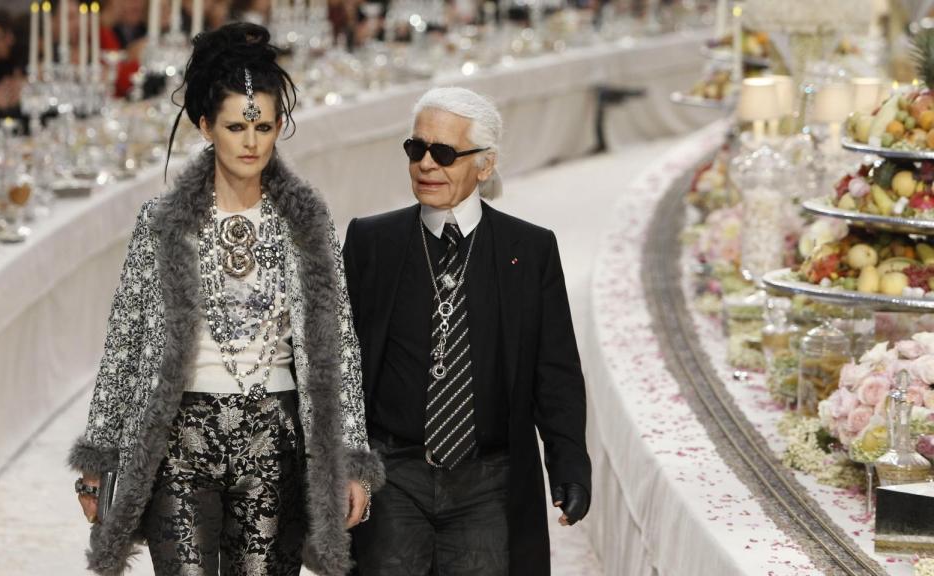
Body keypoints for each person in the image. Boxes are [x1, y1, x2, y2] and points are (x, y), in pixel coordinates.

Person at [68, 22, 383, 576]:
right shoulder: (163, 223)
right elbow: (126, 339)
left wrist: (351, 459)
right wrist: (99, 458)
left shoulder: (305, 223)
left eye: (263, 125)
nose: (251, 141)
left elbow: (338, 350)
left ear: (279, 126)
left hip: (274, 438)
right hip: (178, 439)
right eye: (237, 126)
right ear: (205, 125)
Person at [343, 87, 591, 576]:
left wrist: (568, 463)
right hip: (393, 472)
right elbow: (339, 364)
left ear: (485, 164)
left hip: (489, 479)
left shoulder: (530, 249)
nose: (426, 165)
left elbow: (554, 368)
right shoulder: (372, 241)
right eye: (417, 149)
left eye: (445, 153)